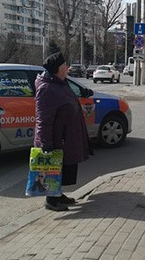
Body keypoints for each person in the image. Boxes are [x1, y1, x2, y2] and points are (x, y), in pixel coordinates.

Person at [34, 52, 91, 211]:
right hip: (56, 137)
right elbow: (43, 119)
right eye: (65, 65)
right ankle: (51, 200)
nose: (68, 67)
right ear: (59, 68)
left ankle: (58, 195)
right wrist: (46, 144)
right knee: (54, 167)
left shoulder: (60, 83)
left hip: (65, 136)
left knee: (64, 167)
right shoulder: (47, 88)